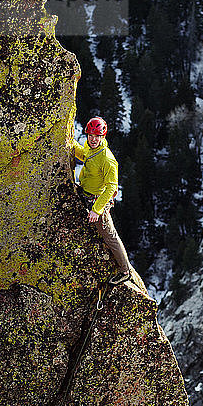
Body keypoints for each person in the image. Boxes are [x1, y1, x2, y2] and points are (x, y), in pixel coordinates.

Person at [74, 116, 131, 285]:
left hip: (97, 200)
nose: (93, 139)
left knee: (110, 236)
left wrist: (97, 210)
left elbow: (112, 188)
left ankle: (125, 270)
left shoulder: (108, 159)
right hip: (86, 192)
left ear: (103, 137)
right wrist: (70, 144)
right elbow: (85, 155)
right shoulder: (90, 147)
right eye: (90, 135)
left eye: (97, 136)